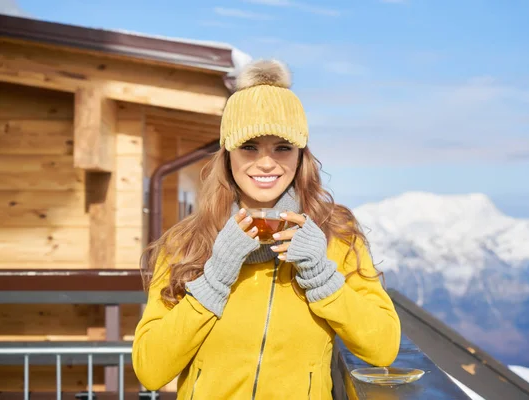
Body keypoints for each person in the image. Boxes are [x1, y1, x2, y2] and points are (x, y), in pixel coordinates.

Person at [132, 59, 401, 399]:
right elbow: (150, 370)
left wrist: (321, 276)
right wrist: (215, 278)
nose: (266, 163)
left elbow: (383, 348)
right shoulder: (186, 242)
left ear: (300, 155)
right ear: (228, 153)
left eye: (282, 147)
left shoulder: (336, 234)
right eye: (249, 147)